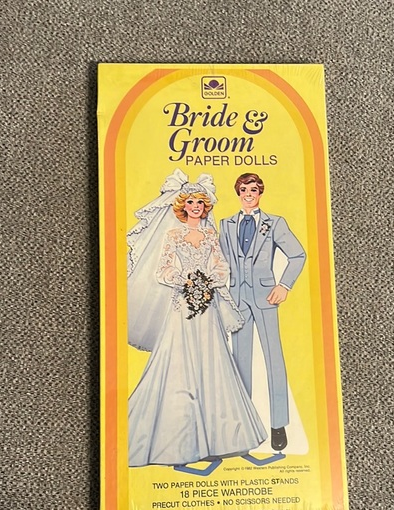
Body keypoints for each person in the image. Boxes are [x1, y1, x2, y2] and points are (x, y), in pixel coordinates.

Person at [127, 169, 266, 467]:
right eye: (190, 202)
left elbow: (222, 267)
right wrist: (187, 281)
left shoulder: (210, 235)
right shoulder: (173, 235)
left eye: (200, 203)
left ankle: (220, 440)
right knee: (180, 365)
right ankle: (179, 444)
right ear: (183, 206)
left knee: (213, 364)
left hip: (208, 306)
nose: (195, 207)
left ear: (205, 207)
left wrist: (208, 281)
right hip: (182, 306)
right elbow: (163, 271)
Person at [219, 173, 306, 451]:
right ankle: (244, 425)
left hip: (267, 297)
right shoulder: (226, 225)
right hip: (237, 298)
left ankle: (278, 424)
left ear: (260, 193)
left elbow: (298, 255)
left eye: (254, 190)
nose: (249, 194)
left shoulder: (275, 223)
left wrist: (284, 285)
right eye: (244, 189)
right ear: (238, 192)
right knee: (240, 361)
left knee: (273, 359)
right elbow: (220, 261)